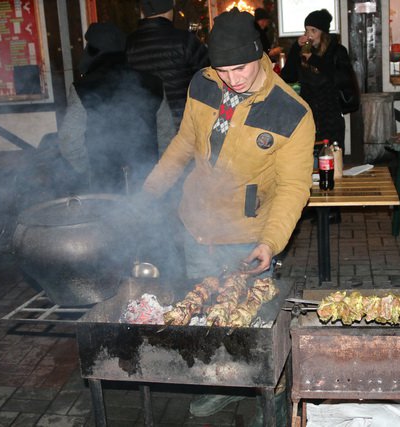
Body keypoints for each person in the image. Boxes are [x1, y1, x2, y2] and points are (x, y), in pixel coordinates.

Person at [140, 7, 315, 422]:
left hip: (245, 235)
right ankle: (220, 386)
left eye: (240, 68)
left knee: (252, 324)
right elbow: (184, 142)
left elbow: (292, 188)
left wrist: (269, 242)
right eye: (223, 70)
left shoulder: (291, 113)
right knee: (205, 319)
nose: (232, 79)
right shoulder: (203, 84)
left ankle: (265, 398)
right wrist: (148, 192)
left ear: (259, 55)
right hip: (196, 225)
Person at [54, 22, 167, 195]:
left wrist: (88, 169)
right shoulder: (153, 83)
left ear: (93, 50)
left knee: (109, 221)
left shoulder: (83, 88)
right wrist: (162, 174)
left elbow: (69, 141)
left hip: (105, 185)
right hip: (147, 180)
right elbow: (167, 136)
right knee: (147, 220)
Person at [126, 0, 209, 136]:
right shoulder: (185, 40)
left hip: (146, 125)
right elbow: (209, 79)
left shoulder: (129, 44)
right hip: (183, 123)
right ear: (168, 9)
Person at [280, 8, 356, 150]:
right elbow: (287, 76)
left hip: (330, 116)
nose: (309, 35)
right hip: (308, 115)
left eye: (313, 31)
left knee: (332, 158)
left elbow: (341, 78)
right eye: (307, 30)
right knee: (309, 159)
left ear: (323, 32)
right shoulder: (303, 51)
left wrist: (314, 60)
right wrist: (296, 48)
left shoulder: (337, 51)